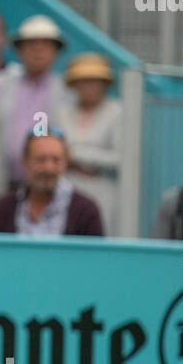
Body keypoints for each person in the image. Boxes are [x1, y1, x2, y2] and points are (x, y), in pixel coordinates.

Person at [0, 14, 70, 193]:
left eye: (46, 46)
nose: (38, 51)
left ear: (56, 52)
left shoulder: (67, 91)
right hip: (5, 181)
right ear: (20, 50)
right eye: (32, 45)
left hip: (48, 183)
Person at [0, 131, 104, 236]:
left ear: (66, 162)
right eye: (41, 160)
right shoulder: (1, 210)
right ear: (25, 161)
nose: (48, 168)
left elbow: (96, 259)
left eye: (56, 160)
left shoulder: (86, 212)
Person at [55, 52, 122, 236]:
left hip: (101, 190)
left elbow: (120, 158)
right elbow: (56, 147)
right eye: (83, 81)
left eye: (94, 81)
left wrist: (75, 155)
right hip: (66, 188)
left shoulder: (117, 112)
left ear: (104, 84)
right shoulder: (62, 111)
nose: (89, 87)